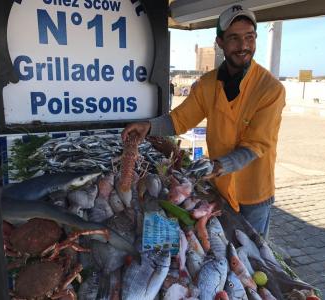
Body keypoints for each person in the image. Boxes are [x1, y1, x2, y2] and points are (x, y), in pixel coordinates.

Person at [122, 5, 285, 238]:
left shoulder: (271, 89)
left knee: (253, 259)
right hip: (218, 189)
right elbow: (180, 119)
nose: (243, 46)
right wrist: (149, 126)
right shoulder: (208, 84)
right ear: (220, 42)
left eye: (249, 37)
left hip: (254, 194)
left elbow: (256, 145)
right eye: (234, 38)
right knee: (218, 247)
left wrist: (217, 166)